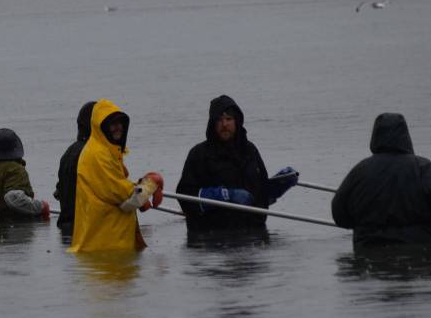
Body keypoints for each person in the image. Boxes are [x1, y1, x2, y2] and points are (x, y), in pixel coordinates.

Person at [331, 112, 431, 246]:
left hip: (369, 247)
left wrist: (362, 225)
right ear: (405, 136)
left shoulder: (360, 171)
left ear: (375, 136)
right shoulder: (422, 167)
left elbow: (339, 213)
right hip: (419, 247)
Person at [176, 94, 298, 232]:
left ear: (237, 121)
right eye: (219, 120)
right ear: (212, 123)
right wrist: (223, 195)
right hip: (212, 238)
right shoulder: (199, 154)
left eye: (229, 119)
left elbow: (259, 195)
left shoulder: (250, 150)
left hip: (254, 236)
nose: (224, 124)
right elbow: (184, 197)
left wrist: (277, 186)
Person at [68, 99, 164, 253]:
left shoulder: (104, 151)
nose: (118, 127)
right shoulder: (98, 155)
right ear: (102, 126)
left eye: (120, 123)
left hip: (108, 245)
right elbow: (128, 198)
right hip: (105, 249)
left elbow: (121, 191)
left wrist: (143, 189)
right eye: (113, 124)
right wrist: (153, 182)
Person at [53, 101, 96, 235]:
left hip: (66, 227)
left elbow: (59, 192)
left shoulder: (69, 151)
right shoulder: (93, 152)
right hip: (86, 230)